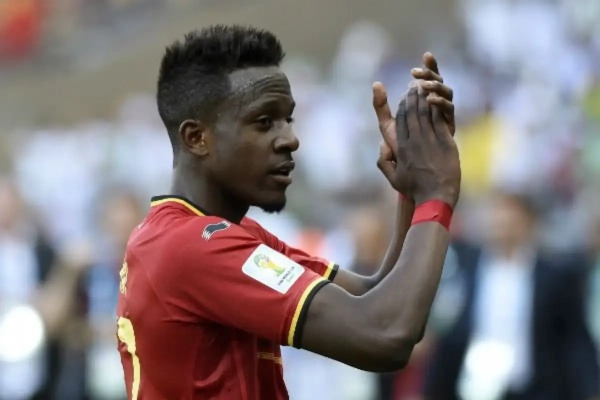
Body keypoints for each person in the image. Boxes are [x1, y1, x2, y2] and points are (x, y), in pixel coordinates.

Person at [116, 25, 461, 399]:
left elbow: (381, 298)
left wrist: (412, 192)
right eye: (264, 122)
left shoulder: (228, 235)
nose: (290, 139)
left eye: (288, 120)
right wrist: (437, 193)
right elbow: (384, 335)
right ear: (197, 138)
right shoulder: (191, 246)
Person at [424, 191, 600, 400]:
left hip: (536, 389)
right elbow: (449, 333)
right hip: (477, 387)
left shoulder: (553, 276)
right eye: (498, 216)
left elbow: (575, 338)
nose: (503, 224)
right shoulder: (467, 269)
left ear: (528, 222)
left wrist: (590, 389)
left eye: (511, 218)